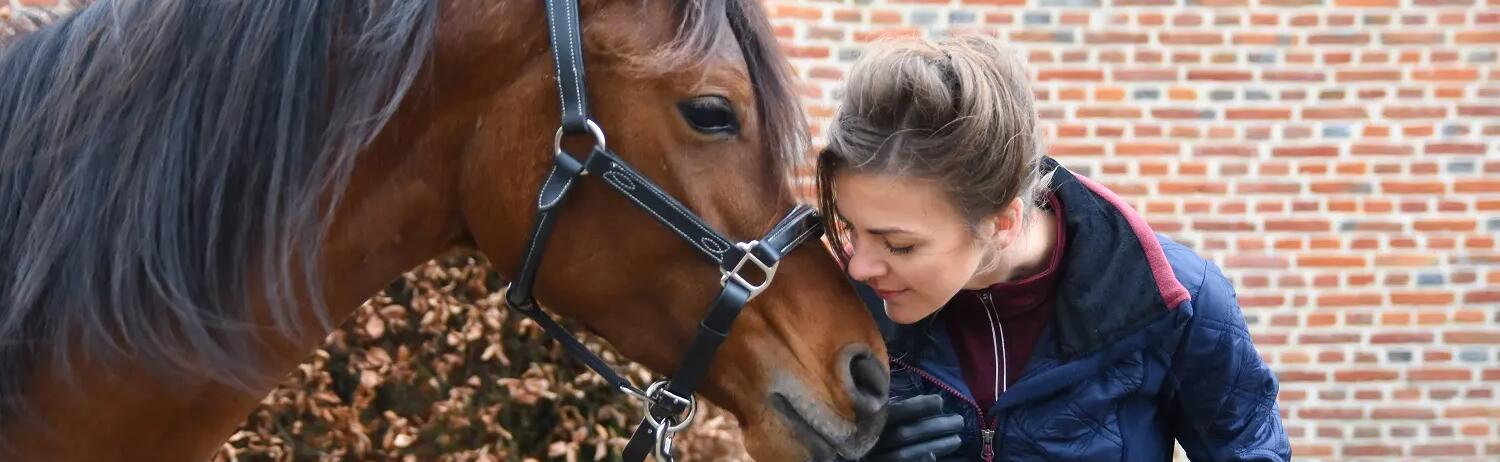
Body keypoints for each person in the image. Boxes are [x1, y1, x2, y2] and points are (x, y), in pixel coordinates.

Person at [820, 35, 1291, 461]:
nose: (857, 267)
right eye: (849, 228)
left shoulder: (1180, 301)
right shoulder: (827, 307)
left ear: (1003, 223)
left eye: (899, 244)